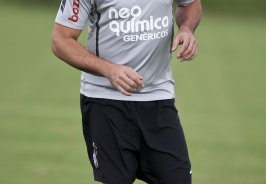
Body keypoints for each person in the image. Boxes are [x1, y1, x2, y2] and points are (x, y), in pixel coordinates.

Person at [51, 0, 202, 183]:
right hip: (105, 101)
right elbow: (61, 40)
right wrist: (108, 70)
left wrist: (186, 28)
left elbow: (190, 3)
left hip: (159, 96)